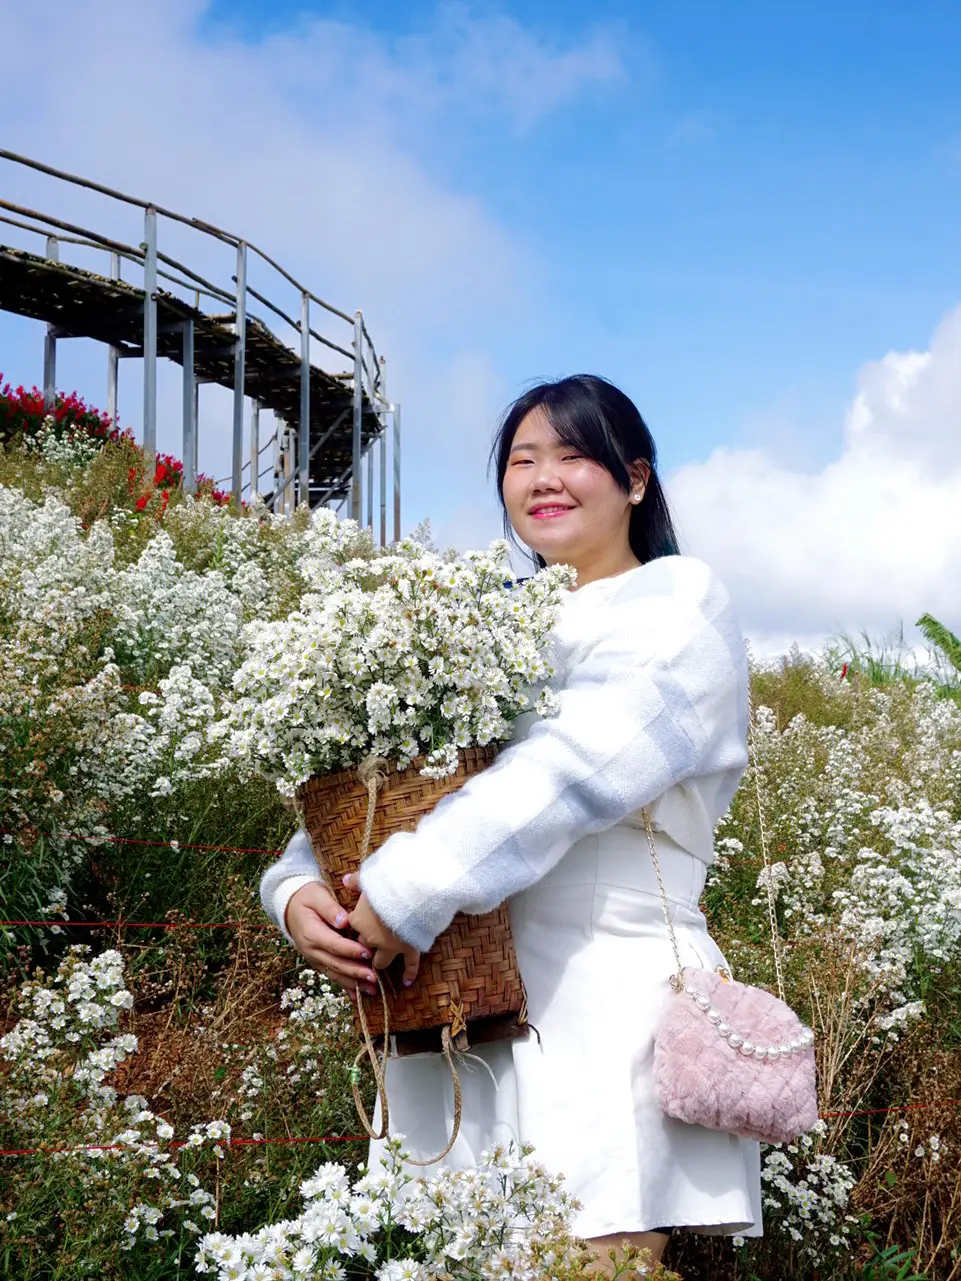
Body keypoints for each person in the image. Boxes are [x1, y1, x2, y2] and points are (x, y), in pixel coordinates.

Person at [260, 374, 763, 1274]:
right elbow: (378, 782)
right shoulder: (484, 627)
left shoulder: (678, 607)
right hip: (463, 1005)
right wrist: (301, 890)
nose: (545, 477)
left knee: (595, 1250)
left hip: (602, 987)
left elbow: (574, 768)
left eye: (574, 455)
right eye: (523, 459)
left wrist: (402, 888)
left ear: (635, 479)